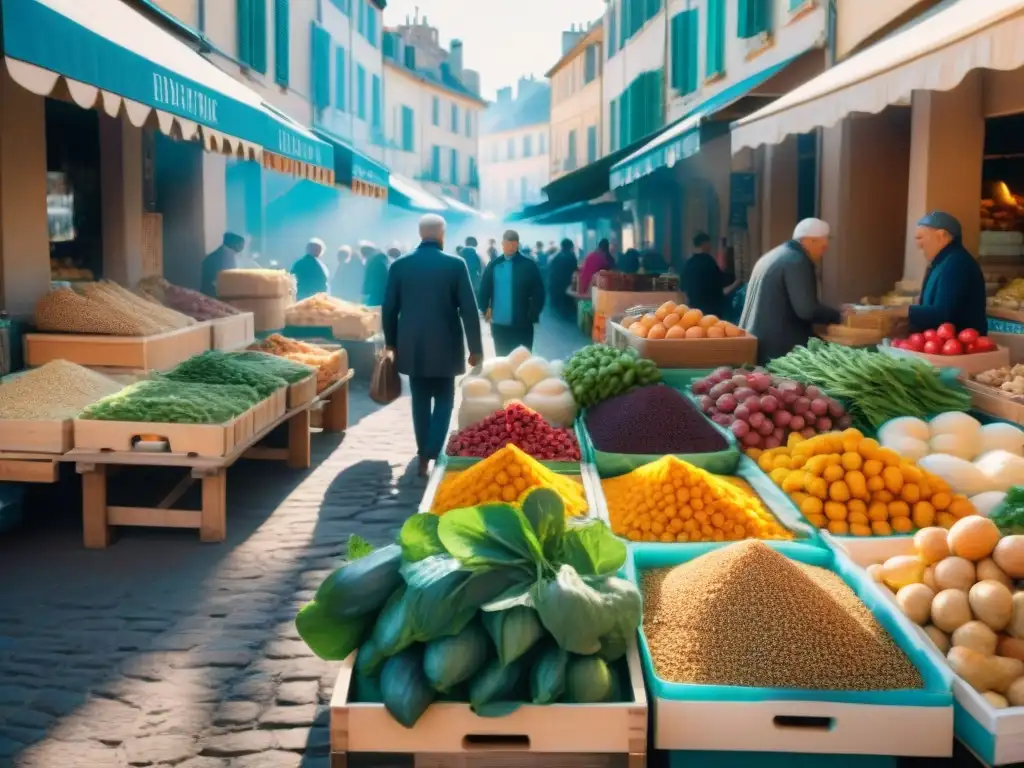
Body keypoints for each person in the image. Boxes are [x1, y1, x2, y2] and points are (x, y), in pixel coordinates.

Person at [382, 214, 483, 477]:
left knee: (419, 399)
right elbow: (469, 310)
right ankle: (432, 451)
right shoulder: (455, 264)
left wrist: (391, 342)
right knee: (445, 399)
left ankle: (423, 454)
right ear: (442, 235)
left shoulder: (400, 265)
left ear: (420, 234)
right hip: (446, 344)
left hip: (412, 345)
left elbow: (389, 309)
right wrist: (476, 348)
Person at [740, 218, 842, 364]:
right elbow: (807, 310)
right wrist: (838, 316)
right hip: (780, 352)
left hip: (759, 343)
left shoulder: (773, 255)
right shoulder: (797, 261)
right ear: (810, 241)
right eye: (823, 243)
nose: (825, 248)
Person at [908, 211, 988, 334]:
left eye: (920, 238)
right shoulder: (942, 262)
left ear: (942, 237)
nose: (919, 245)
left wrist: (903, 311)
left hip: (961, 347)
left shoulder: (957, 264)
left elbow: (942, 315)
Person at [478, 230, 546, 355]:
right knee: (502, 357)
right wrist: (485, 309)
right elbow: (484, 289)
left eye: (513, 244)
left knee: (522, 357)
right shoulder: (494, 265)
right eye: (507, 244)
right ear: (502, 244)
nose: (510, 247)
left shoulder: (528, 265)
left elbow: (539, 292)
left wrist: (533, 313)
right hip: (499, 322)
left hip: (523, 321)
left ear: (517, 245)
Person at [679, 233, 737, 317]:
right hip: (711, 307)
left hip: (694, 307)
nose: (710, 246)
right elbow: (718, 281)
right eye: (709, 244)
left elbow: (683, 286)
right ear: (704, 244)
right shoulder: (708, 261)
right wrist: (736, 283)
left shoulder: (689, 262)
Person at [200, 232, 247, 296]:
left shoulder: (219, 254)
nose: (243, 248)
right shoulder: (226, 256)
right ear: (236, 244)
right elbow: (224, 280)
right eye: (242, 245)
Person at [547, 238, 578, 318]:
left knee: (561, 298)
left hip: (555, 281)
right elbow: (574, 268)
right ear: (570, 246)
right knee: (567, 298)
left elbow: (551, 268)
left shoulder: (557, 256)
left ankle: (561, 311)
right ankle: (567, 313)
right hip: (566, 281)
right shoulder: (571, 255)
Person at [362, 242, 389, 306]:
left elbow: (372, 277)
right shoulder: (378, 260)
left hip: (378, 292)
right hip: (379, 292)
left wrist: (365, 290)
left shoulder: (376, 261)